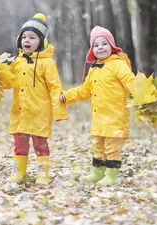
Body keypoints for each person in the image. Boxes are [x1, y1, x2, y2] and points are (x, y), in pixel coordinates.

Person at [60, 26, 135, 186]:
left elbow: (130, 81)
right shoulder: (94, 69)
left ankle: (111, 176)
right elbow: (84, 89)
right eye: (96, 45)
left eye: (104, 44)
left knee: (111, 148)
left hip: (115, 116)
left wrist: (143, 93)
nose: (100, 47)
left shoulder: (118, 65)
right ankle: (97, 172)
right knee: (98, 147)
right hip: (99, 117)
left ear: (112, 47)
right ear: (92, 50)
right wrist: (67, 96)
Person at [4, 13, 67, 185]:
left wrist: (59, 110)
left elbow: (55, 87)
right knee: (20, 144)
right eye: (24, 37)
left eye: (32, 37)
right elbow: (8, 82)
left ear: (41, 41)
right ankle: (20, 173)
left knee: (40, 144)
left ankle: (43, 174)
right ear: (19, 40)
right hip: (20, 110)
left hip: (40, 111)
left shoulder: (48, 64)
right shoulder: (17, 62)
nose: (27, 41)